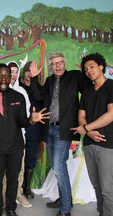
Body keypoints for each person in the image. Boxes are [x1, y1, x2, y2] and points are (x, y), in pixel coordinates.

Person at [0, 63, 49, 216]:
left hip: (15, 147)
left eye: (7, 75)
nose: (3, 79)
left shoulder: (19, 96)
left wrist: (31, 120)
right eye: (0, 75)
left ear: (11, 77)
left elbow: (22, 121)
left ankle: (10, 208)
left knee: (13, 180)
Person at [29, 52, 93, 216]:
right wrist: (34, 78)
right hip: (49, 129)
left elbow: (88, 89)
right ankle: (65, 198)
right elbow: (38, 95)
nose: (57, 66)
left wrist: (86, 70)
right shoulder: (50, 81)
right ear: (51, 66)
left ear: (64, 63)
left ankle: (65, 209)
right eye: (54, 64)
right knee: (58, 167)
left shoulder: (75, 76)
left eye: (60, 62)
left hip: (64, 130)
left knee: (58, 167)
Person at [71, 53, 113, 216]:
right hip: (89, 145)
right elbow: (81, 116)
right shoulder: (87, 93)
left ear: (101, 67)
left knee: (108, 189)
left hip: (108, 145)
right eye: (86, 69)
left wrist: (87, 129)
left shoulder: (111, 86)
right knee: (97, 186)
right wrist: (88, 131)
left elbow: (111, 115)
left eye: (92, 67)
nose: (89, 71)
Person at [6, 61, 32, 208]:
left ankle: (18, 194)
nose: (13, 74)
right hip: (3, 137)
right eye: (11, 71)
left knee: (19, 166)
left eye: (16, 71)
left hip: (19, 135)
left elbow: (27, 113)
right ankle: (5, 195)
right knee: (4, 167)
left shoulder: (22, 92)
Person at [19, 61, 43, 199]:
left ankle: (26, 187)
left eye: (32, 71)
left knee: (31, 156)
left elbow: (40, 98)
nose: (30, 73)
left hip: (34, 128)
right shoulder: (18, 87)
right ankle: (17, 187)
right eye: (28, 70)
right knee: (18, 157)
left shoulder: (39, 88)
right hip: (20, 127)